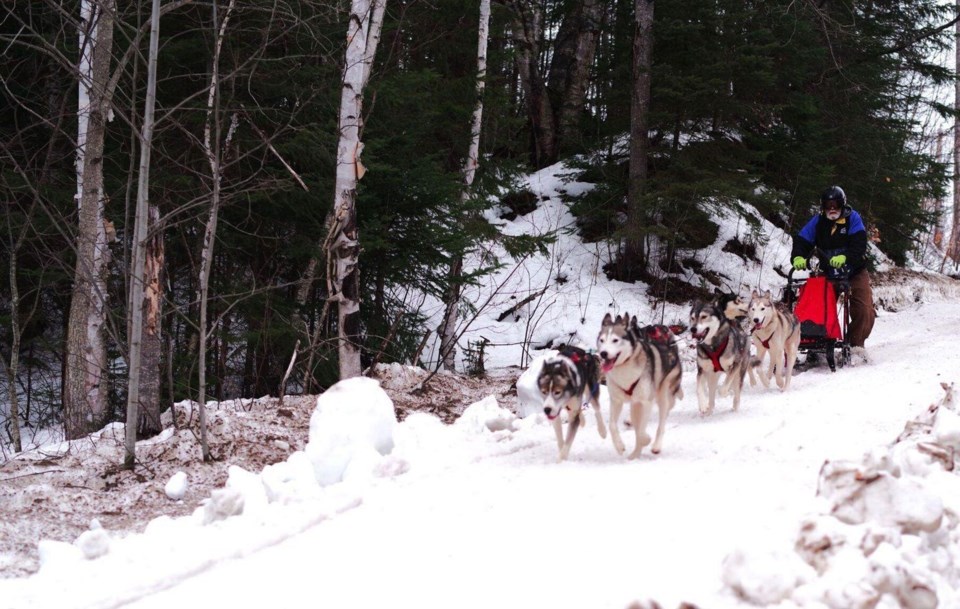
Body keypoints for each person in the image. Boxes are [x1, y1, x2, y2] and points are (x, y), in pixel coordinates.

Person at [791, 185, 876, 359]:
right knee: (818, 305)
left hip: (854, 271)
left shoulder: (853, 219)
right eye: (828, 205)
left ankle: (856, 343)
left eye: (835, 204)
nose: (832, 208)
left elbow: (859, 245)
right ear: (822, 206)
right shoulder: (818, 222)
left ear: (842, 204)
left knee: (863, 308)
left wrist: (847, 257)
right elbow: (802, 240)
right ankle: (818, 341)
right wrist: (798, 257)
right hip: (828, 271)